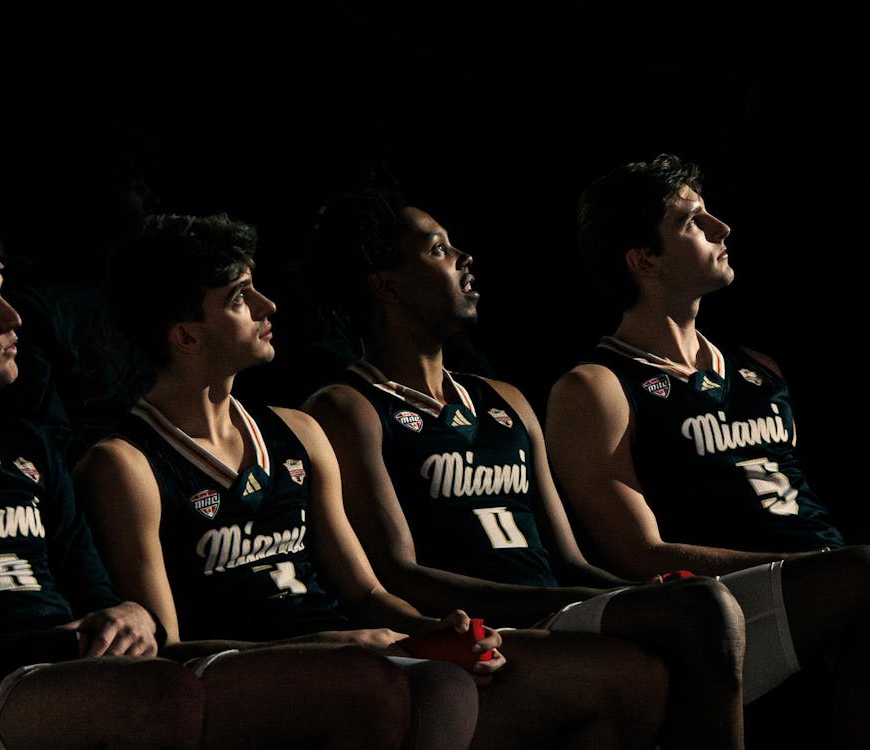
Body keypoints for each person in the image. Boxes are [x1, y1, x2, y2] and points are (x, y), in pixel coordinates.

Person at [297, 182, 870, 749]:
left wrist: (630, 596)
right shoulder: (347, 406)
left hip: (554, 611)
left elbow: (568, 559)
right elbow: (397, 572)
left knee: (688, 607)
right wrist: (588, 601)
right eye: (439, 249)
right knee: (707, 608)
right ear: (385, 285)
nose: (465, 258)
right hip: (487, 625)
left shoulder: (505, 399)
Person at [73, 211, 673, 750]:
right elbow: (169, 653)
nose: (268, 306)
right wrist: (335, 651)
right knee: (417, 691)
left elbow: (367, 593)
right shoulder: (125, 462)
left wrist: (434, 630)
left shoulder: (297, 431)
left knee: (635, 678)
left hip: (372, 659)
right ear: (185, 334)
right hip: (266, 684)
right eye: (238, 296)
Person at [0, 213, 464, 750]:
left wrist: (122, 616)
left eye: (5, 296)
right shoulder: (114, 461)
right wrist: (69, 642)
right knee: (168, 694)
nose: (14, 316)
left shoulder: (28, 448)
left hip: (71, 668)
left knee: (444, 685)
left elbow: (103, 596)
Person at [544, 153, 870, 746]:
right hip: (729, 612)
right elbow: (637, 553)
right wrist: (820, 573)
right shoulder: (596, 386)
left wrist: (830, 574)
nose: (723, 228)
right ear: (646, 260)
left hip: (833, 585)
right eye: (693, 221)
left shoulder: (759, 369)